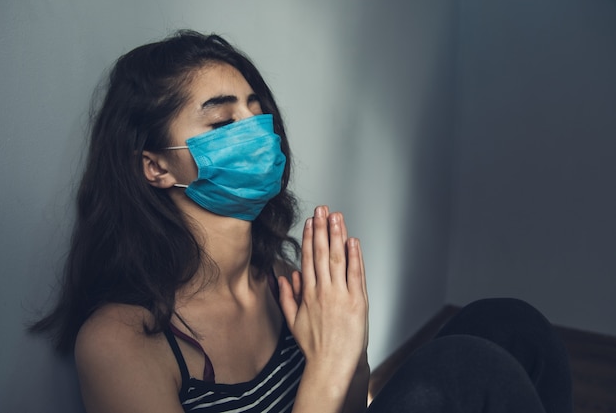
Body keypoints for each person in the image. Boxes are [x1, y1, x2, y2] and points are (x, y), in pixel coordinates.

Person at [30, 30, 572, 413]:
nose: (258, 131)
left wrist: (349, 346)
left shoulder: (283, 276)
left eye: (256, 110)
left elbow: (352, 405)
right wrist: (329, 366)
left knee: (509, 324)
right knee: (467, 365)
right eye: (222, 119)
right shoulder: (120, 340)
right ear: (156, 166)